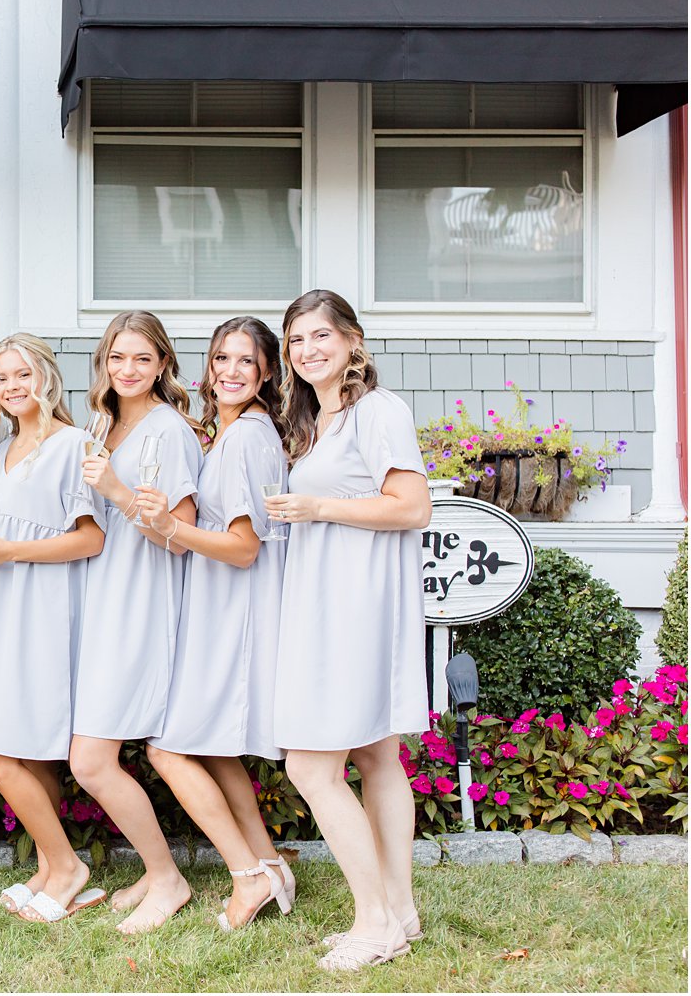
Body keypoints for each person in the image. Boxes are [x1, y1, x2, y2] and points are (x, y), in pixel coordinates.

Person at [265, 289, 431, 971]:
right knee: (375, 755)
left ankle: (374, 921)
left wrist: (317, 505)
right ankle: (400, 909)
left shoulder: (377, 410)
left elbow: (412, 505)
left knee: (310, 763)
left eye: (320, 335)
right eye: (296, 339)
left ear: (353, 340)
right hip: (332, 597)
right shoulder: (325, 417)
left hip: (354, 606)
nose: (307, 349)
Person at [144, 316, 295, 931]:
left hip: (235, 616)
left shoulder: (244, 439)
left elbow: (242, 547)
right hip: (221, 611)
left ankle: (246, 874)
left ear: (265, 373)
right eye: (220, 359)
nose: (230, 372)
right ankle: (268, 863)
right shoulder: (234, 435)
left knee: (169, 748)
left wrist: (168, 527)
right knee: (218, 753)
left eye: (244, 361)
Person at [70, 310, 205, 935]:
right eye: (117, 358)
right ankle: (155, 874)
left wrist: (121, 494)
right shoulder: (103, 424)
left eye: (142, 360)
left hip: (140, 605)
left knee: (91, 760)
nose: (127, 370)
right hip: (98, 604)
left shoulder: (169, 430)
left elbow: (179, 538)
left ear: (163, 366)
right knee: (101, 752)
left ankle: (169, 877)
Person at [0, 333, 106, 923]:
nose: (11, 387)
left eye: (22, 374)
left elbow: (90, 538)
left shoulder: (71, 444)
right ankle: (50, 869)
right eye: (1, 379)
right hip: (2, 612)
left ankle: (68, 866)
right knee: (27, 754)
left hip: (43, 612)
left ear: (47, 378)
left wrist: (11, 553)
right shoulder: (2, 447)